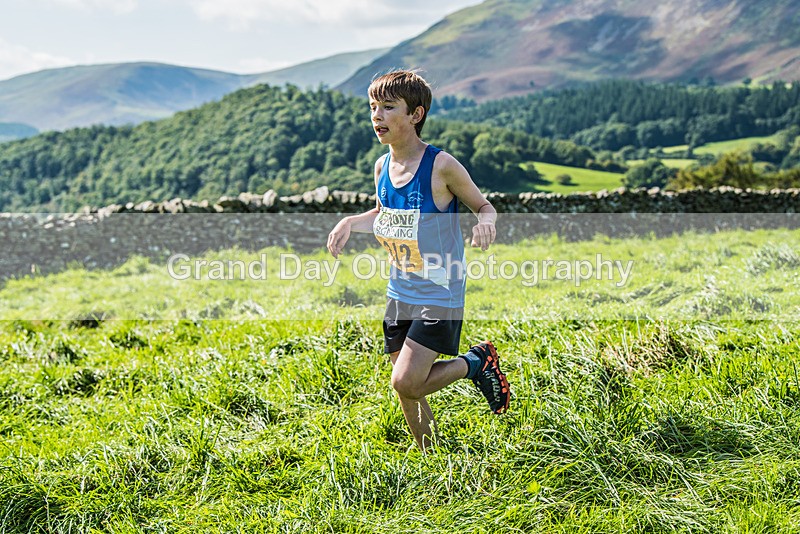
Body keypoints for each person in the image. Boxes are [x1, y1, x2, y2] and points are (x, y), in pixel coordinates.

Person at [327, 70, 509, 451]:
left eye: (388, 107)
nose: (377, 115)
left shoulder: (441, 166)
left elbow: (485, 206)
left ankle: (476, 362)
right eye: (373, 107)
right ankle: (431, 455)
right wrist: (349, 222)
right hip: (400, 290)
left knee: (404, 381)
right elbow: (384, 214)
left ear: (415, 114)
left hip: (440, 292)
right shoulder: (381, 167)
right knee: (407, 385)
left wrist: (485, 224)